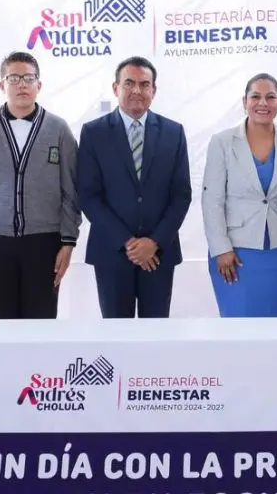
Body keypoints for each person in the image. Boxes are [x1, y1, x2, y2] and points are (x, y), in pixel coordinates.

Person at [0, 51, 81, 319]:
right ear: (2, 85)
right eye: (14, 78)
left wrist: (68, 242)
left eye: (28, 78)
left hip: (45, 242)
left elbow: (71, 191)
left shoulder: (59, 130)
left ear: (39, 85)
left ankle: (40, 364)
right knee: (1, 321)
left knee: (42, 319)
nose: (22, 84)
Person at [77, 56, 192, 318]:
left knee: (156, 337)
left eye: (144, 84)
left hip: (159, 254)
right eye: (129, 83)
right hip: (112, 253)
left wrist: (153, 242)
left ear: (154, 90)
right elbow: (89, 196)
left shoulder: (173, 132)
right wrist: (129, 242)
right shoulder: (94, 133)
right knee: (117, 340)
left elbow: (181, 195)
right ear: (115, 88)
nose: (137, 90)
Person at [201, 73, 277, 317]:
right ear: (244, 101)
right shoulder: (222, 141)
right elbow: (212, 200)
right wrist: (221, 249)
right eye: (255, 96)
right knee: (238, 327)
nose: (263, 103)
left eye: (270, 97)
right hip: (235, 252)